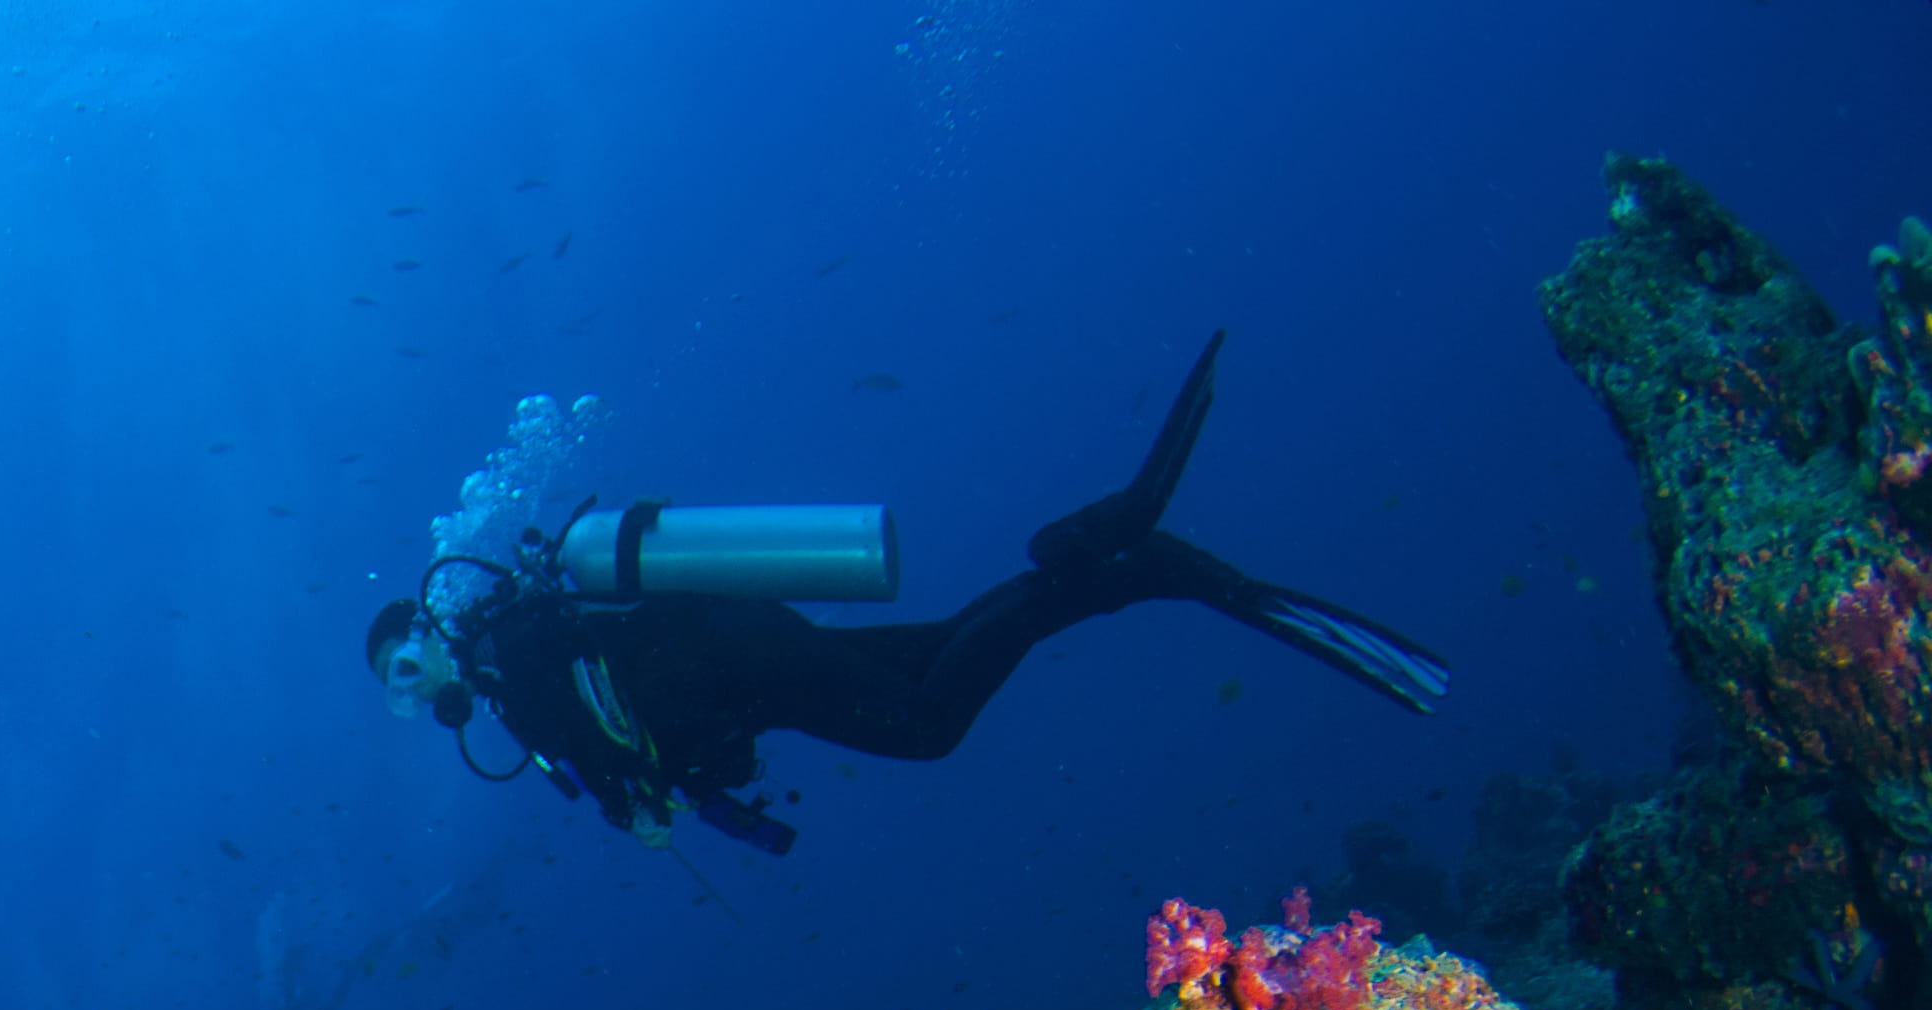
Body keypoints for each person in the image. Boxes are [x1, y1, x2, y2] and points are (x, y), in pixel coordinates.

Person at [365, 333, 1447, 853]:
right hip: (742, 653)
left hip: (738, 663)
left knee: (928, 723)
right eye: (398, 693)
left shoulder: (503, 652)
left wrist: (646, 806)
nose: (414, 695)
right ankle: (1115, 571)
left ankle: (1099, 546)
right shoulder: (509, 655)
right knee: (934, 653)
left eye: (405, 669)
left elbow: (615, 753)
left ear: (428, 627)